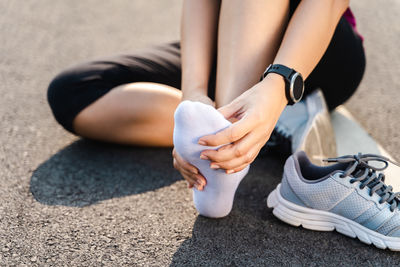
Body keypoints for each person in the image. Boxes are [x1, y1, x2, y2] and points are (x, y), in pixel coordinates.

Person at [47, 0, 365, 192]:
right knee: (74, 92)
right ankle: (234, 130)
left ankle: (229, 150)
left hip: (311, 53)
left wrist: (277, 86)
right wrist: (193, 96)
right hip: (230, 36)